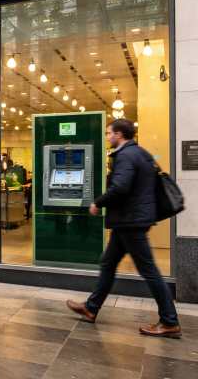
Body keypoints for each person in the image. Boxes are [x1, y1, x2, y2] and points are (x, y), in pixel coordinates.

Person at [67, 118, 180, 337]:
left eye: (109, 133)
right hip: (129, 220)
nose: (108, 136)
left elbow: (120, 187)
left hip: (130, 221)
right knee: (108, 262)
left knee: (149, 270)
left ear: (119, 134)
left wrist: (98, 202)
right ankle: (91, 308)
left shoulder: (126, 155)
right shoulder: (141, 153)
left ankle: (169, 321)